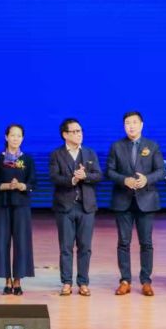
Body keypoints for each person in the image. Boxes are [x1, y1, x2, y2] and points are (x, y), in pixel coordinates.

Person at [106, 110, 165, 296]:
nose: (130, 126)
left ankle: (146, 281)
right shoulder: (116, 146)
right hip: (122, 200)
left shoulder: (152, 146)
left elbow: (161, 171)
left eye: (134, 122)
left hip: (146, 201)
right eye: (127, 123)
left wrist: (147, 179)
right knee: (123, 242)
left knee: (146, 243)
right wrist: (124, 180)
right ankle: (125, 280)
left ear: (141, 125)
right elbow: (109, 171)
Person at [48, 118, 101, 296]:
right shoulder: (56, 154)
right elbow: (54, 177)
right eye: (75, 131)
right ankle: (66, 282)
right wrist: (72, 180)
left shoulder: (90, 153)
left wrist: (85, 176)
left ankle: (83, 282)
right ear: (65, 134)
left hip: (87, 207)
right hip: (65, 207)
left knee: (85, 246)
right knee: (66, 247)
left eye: (80, 131)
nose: (79, 134)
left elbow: (98, 176)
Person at [0, 124, 36, 295]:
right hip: (2, 205)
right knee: (2, 243)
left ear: (23, 138)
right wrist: (7, 185)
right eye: (12, 135)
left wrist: (22, 186)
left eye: (19, 136)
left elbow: (33, 183)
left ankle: (18, 281)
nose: (15, 138)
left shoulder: (27, 160)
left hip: (22, 206)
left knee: (22, 243)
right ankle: (7, 280)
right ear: (6, 137)